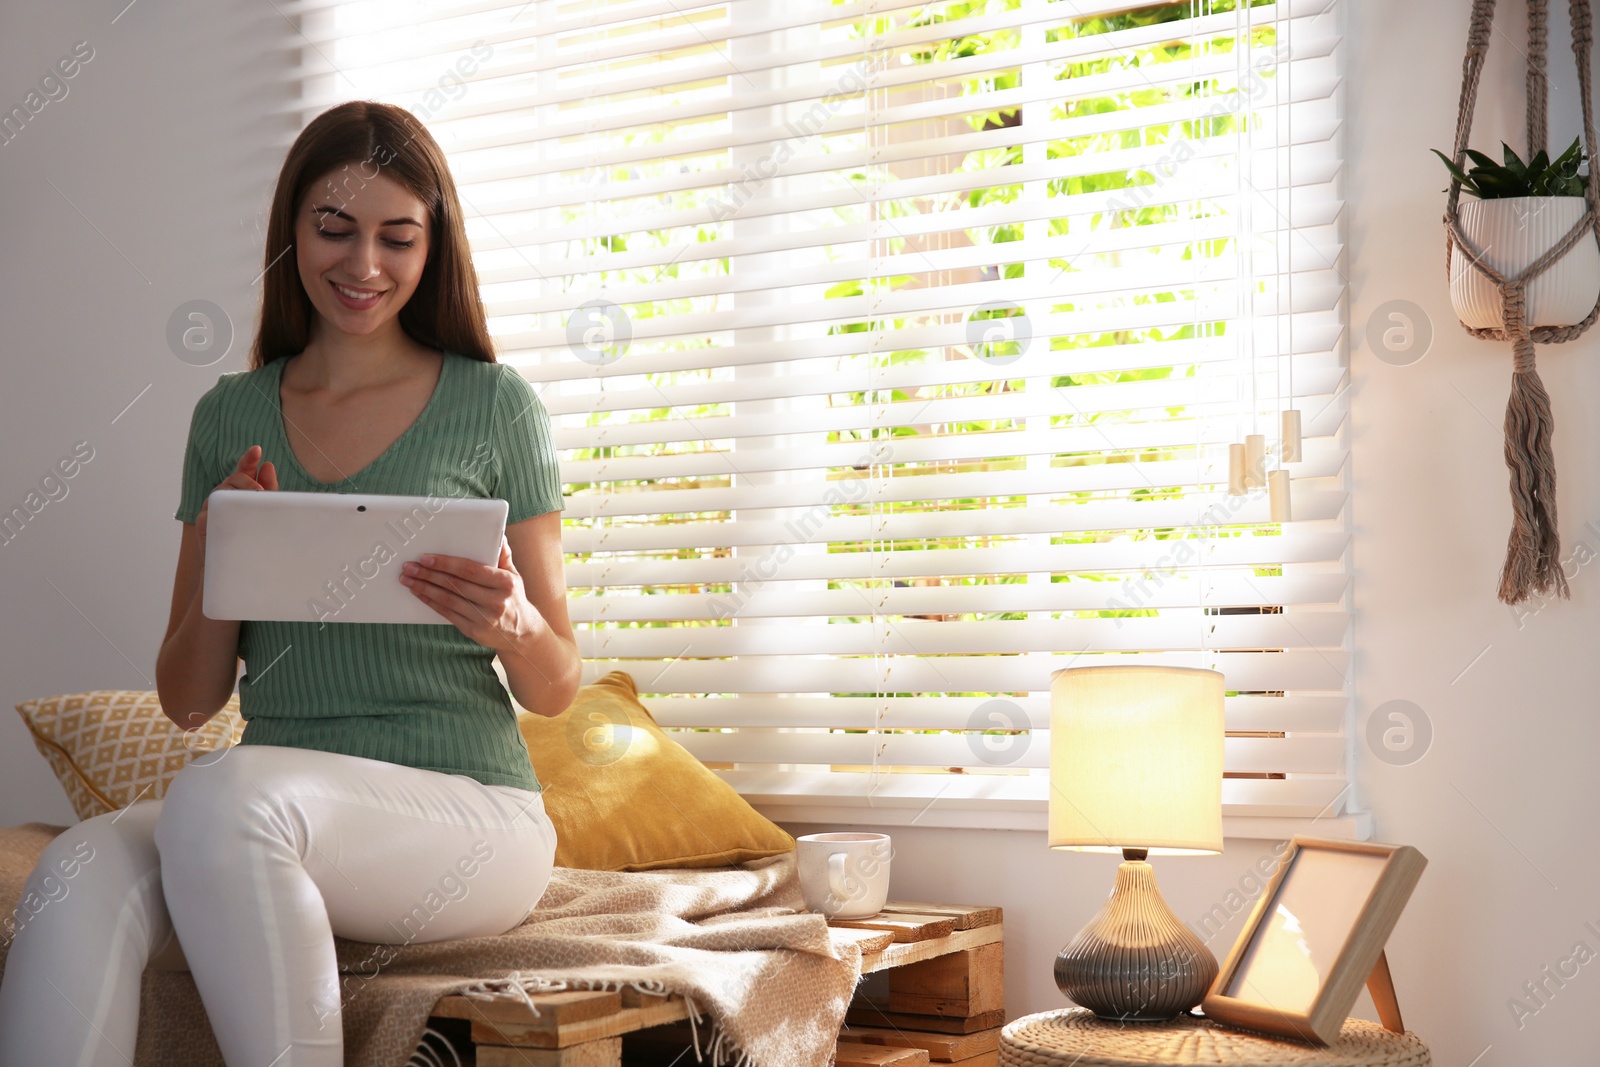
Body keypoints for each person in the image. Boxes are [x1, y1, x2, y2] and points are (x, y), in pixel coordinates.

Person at [0, 100, 581, 1067]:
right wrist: (231, 555)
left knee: (227, 797)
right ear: (292, 232)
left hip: (472, 815)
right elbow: (188, 702)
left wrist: (514, 621)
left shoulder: (495, 404)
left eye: (397, 237)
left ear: (433, 247)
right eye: (334, 229)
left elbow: (556, 683)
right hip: (270, 811)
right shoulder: (231, 416)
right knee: (79, 864)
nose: (363, 266)